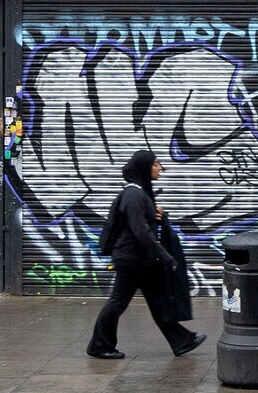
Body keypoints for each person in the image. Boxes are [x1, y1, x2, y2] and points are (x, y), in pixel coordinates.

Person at [87, 150, 205, 360]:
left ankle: (182, 341)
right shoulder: (134, 195)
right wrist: (166, 256)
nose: (160, 168)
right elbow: (140, 231)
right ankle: (99, 345)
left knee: (157, 300)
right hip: (132, 260)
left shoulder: (140, 193)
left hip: (142, 260)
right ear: (144, 168)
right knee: (118, 301)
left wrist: (159, 216)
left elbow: (144, 225)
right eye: (156, 164)